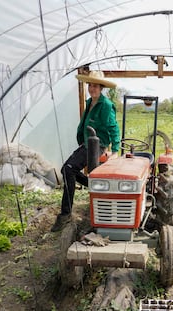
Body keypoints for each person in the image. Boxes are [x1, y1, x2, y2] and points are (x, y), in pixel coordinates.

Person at [51, 70, 120, 232]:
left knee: (68, 169)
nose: (91, 88)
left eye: (95, 86)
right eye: (90, 85)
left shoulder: (106, 105)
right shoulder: (90, 102)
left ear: (101, 87)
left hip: (98, 144)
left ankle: (65, 215)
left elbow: (113, 128)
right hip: (86, 143)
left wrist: (115, 150)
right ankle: (92, 184)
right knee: (67, 170)